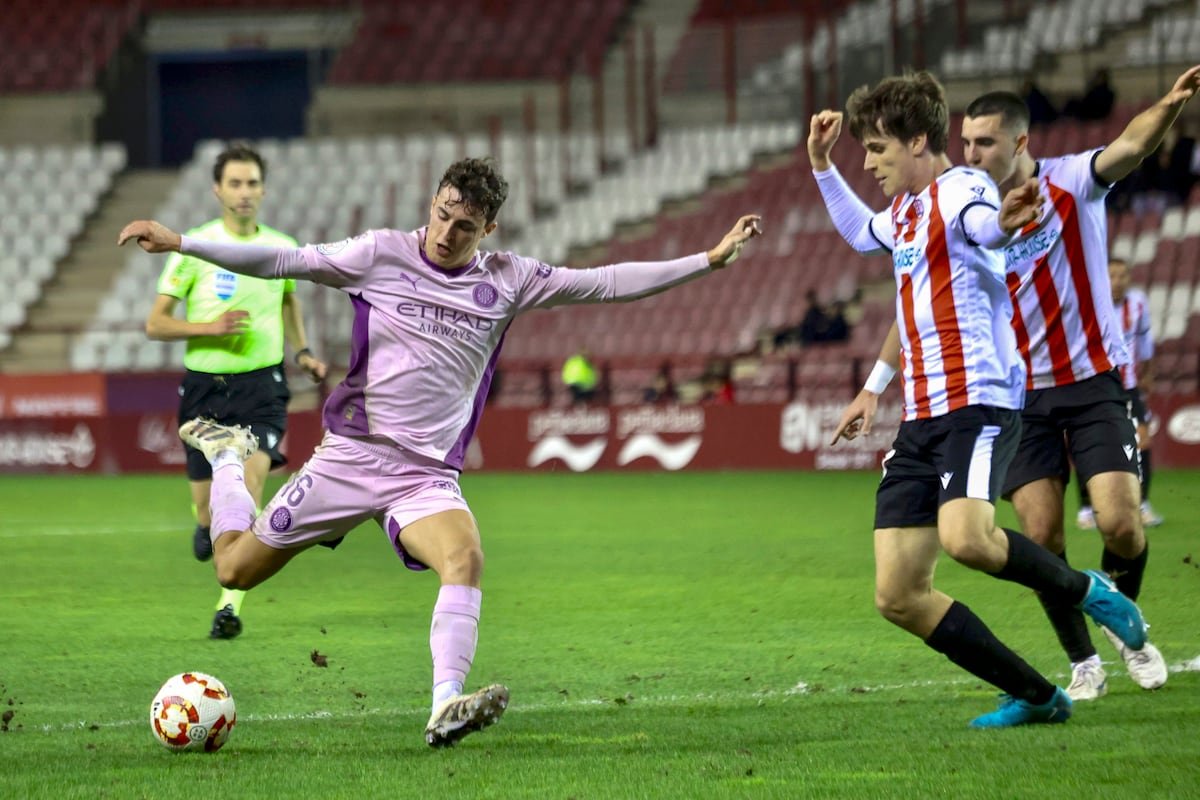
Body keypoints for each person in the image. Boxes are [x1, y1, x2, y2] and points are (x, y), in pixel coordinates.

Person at [119, 157, 762, 747]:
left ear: (489, 229)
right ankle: (228, 458)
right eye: (443, 215)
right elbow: (285, 261)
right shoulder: (380, 253)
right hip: (350, 457)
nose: (448, 234)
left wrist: (707, 259)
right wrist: (182, 242)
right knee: (233, 570)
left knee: (465, 556)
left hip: (423, 476)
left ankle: (445, 704)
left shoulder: (509, 279)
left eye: (466, 226)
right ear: (432, 203)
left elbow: (606, 282)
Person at [809, 71, 1147, 729]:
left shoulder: (961, 188)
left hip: (977, 404)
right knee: (898, 594)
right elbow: (859, 232)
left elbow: (984, 226)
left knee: (967, 539)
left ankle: (1089, 590)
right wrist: (823, 165)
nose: (870, 164)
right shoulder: (905, 213)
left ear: (916, 141)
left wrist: (1006, 223)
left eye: (877, 149)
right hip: (922, 418)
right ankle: (1038, 696)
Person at [959, 65, 1199, 700]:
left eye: (983, 142)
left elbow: (1132, 145)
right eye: (965, 143)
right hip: (1020, 397)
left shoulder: (1070, 179)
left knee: (1121, 523)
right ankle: (1083, 660)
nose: (971, 154)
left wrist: (1170, 104)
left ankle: (1126, 629)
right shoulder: (970, 214)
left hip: (1093, 381)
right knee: (1041, 538)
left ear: (1019, 141)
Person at [144, 142, 327, 640]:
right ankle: (205, 525)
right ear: (217, 190)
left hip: (262, 388)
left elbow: (289, 301)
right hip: (204, 390)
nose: (244, 192)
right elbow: (156, 324)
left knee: (248, 492)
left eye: (252, 183)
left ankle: (229, 607)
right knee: (210, 510)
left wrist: (303, 351)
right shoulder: (196, 248)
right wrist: (211, 328)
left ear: (263, 190)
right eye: (235, 183)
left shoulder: (281, 246)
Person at [1077, 257, 1162, 529]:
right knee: (1085, 445)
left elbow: (1144, 340)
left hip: (1129, 385)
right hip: (1097, 385)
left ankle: (1142, 504)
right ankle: (1086, 508)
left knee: (1143, 441)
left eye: (1122, 275)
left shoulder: (1137, 303)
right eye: (1112, 276)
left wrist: (1147, 373)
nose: (1117, 281)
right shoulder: (1090, 300)